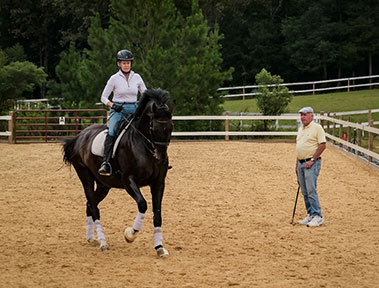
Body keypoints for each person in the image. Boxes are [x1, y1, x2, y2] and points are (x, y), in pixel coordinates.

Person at [98, 49, 147, 176]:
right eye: (124, 63)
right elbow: (103, 97)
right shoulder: (114, 79)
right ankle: (106, 162)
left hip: (134, 109)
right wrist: (113, 105)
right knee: (112, 131)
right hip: (118, 110)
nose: (126, 65)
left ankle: (155, 159)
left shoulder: (137, 77)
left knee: (146, 129)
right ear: (119, 64)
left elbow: (145, 94)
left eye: (128, 63)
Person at [295, 107, 326, 227]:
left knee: (311, 190)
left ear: (311, 116)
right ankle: (311, 214)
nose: (302, 117)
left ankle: (318, 215)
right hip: (301, 162)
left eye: (305, 115)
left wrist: (312, 159)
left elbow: (322, 145)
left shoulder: (317, 128)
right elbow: (299, 147)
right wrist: (296, 164)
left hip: (311, 163)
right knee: (304, 191)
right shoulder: (301, 129)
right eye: (301, 115)